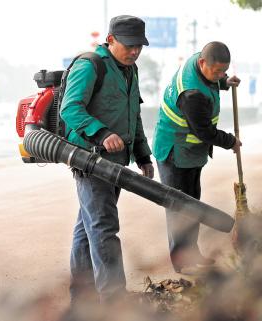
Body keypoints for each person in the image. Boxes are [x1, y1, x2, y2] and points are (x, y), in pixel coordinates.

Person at [60, 15, 154, 303]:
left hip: (117, 162)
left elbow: (133, 116)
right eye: (129, 45)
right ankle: (114, 300)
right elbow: (69, 109)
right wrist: (100, 133)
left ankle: (82, 295)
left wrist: (142, 154)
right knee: (103, 227)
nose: (135, 51)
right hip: (90, 159)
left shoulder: (130, 70)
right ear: (111, 39)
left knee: (88, 227)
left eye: (139, 45)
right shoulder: (90, 66)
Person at [152, 41, 241, 273]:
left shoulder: (199, 62)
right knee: (179, 208)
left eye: (224, 70)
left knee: (192, 205)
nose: (220, 74)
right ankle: (181, 262)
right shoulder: (191, 94)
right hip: (174, 150)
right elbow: (205, 132)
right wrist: (231, 141)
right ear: (202, 63)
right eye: (217, 72)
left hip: (190, 151)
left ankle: (193, 253)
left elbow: (211, 78)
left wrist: (223, 82)